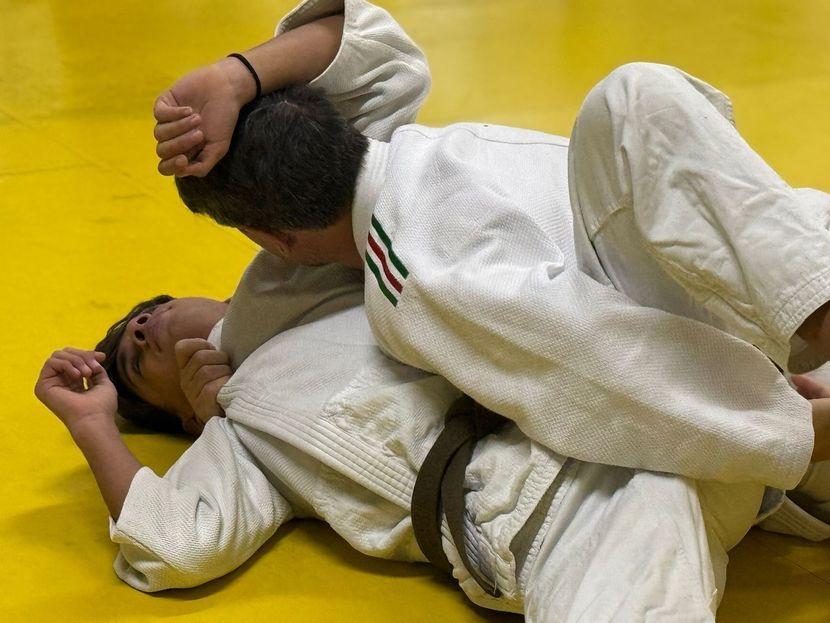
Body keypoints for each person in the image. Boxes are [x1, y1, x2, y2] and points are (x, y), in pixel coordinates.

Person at [159, 0, 830, 489]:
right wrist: (800, 429)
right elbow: (596, 366)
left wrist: (233, 78)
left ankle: (817, 312)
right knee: (634, 99)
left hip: (771, 298)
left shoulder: (406, 248)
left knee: (633, 102)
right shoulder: (416, 259)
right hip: (756, 366)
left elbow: (363, 38)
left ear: (275, 236)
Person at [33, 250, 830, 622]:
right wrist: (96, 422)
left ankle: (777, 422)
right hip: (549, 510)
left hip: (651, 390)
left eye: (148, 311)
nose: (140, 331)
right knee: (660, 497)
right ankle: (780, 430)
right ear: (176, 415)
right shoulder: (240, 440)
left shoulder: (328, 277)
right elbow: (177, 543)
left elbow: (372, 90)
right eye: (133, 359)